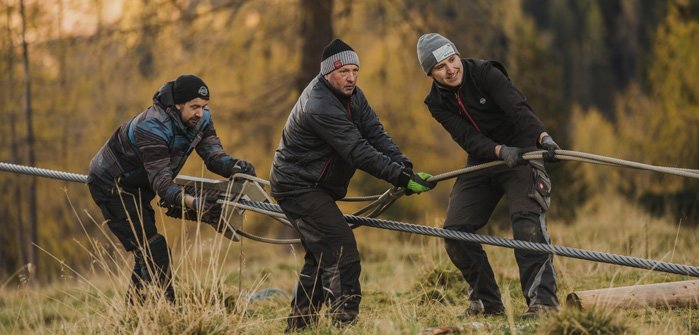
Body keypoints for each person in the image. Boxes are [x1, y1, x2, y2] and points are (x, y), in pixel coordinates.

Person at [270, 38, 436, 331]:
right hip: (298, 187)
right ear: (327, 73)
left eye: (355, 70)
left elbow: (375, 133)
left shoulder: (353, 96)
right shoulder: (319, 105)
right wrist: (399, 178)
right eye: (343, 71)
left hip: (317, 186)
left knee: (321, 256)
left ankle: (299, 326)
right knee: (340, 247)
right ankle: (344, 324)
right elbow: (357, 150)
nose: (350, 77)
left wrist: (404, 166)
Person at [416, 33, 561, 317]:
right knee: (455, 231)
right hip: (483, 159)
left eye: (453, 60)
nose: (451, 69)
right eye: (441, 67)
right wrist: (497, 151)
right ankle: (486, 302)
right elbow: (466, 137)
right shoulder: (435, 102)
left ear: (459, 56)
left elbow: (518, 108)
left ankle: (543, 303)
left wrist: (542, 137)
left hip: (522, 152)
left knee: (526, 225)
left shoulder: (485, 73)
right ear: (431, 74)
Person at [87, 74, 255, 304]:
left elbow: (214, 156)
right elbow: (163, 185)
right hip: (112, 186)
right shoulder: (152, 126)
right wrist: (196, 204)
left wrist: (236, 167)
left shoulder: (201, 119)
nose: (200, 112)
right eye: (194, 107)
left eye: (204, 107)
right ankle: (170, 313)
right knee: (154, 250)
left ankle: (134, 315)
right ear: (178, 104)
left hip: (141, 184)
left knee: (145, 254)